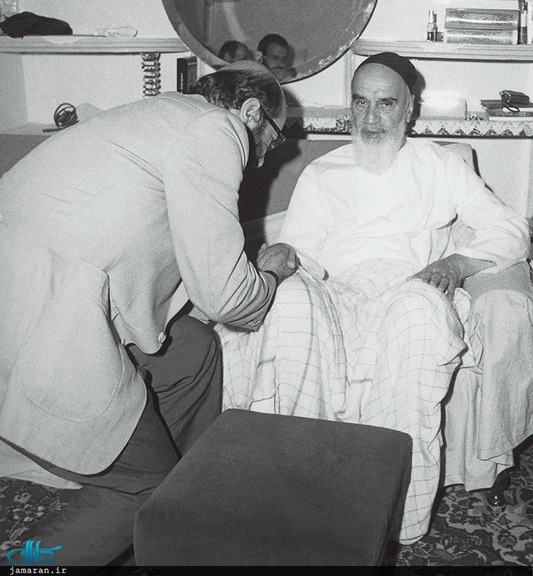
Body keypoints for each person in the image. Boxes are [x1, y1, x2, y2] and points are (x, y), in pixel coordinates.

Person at [216, 52, 530, 545]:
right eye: (361, 102)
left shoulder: (439, 165)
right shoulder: (323, 173)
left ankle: (395, 513)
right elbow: (301, 254)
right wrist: (281, 260)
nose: (371, 117)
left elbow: (511, 229)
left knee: (419, 312)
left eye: (385, 104)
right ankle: (299, 493)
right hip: (336, 292)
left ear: (409, 108)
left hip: (409, 287)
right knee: (291, 304)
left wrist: (456, 264)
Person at [0, 62, 298, 566]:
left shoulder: (166, 113)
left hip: (26, 287)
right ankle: (32, 563)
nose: (268, 154)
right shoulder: (216, 130)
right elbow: (227, 299)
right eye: (274, 135)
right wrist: (269, 275)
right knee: (141, 486)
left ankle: (178, 515)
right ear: (251, 112)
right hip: (38, 319)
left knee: (193, 351)